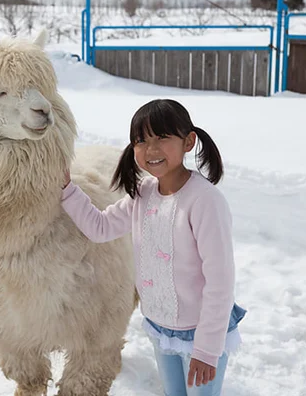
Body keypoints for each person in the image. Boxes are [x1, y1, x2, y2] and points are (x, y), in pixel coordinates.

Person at [60, 99, 245, 396]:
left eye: (162, 138)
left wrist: (208, 349)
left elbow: (220, 280)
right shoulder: (144, 193)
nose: (151, 149)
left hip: (202, 331)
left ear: (188, 141)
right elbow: (100, 227)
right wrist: (67, 190)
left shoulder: (204, 201)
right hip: (160, 327)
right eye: (141, 140)